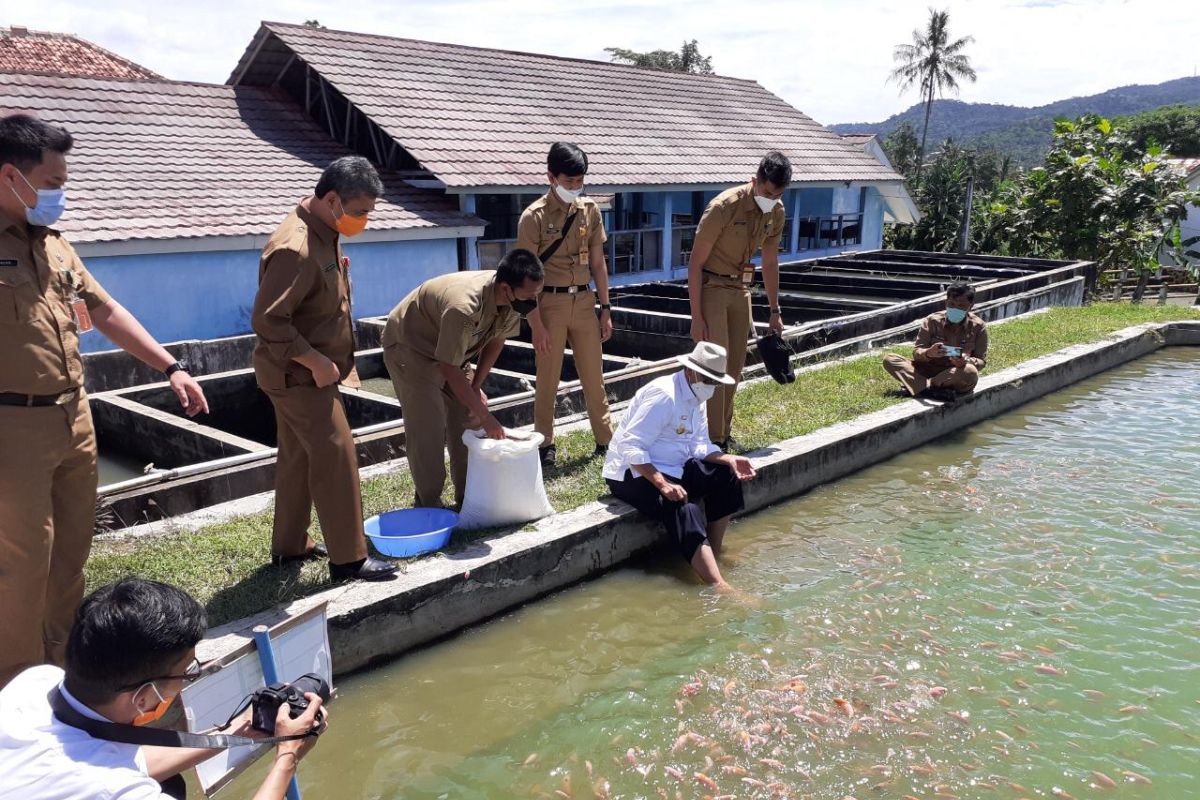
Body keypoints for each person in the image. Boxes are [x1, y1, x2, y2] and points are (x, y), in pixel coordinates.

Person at [0, 113, 210, 688]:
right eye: (51, 183)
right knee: (20, 567)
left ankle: (63, 667)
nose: (59, 195)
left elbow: (107, 310)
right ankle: (17, 692)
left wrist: (170, 366)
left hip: (74, 417)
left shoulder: (55, 244)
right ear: (10, 176)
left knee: (69, 556)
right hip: (10, 426)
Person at [0, 578, 326, 800]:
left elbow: (121, 758)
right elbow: (113, 777)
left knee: (169, 780)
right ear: (143, 697)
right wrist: (288, 755)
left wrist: (239, 732)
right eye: (186, 674)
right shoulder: (113, 790)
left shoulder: (34, 685)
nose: (188, 680)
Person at [251, 156, 396, 582]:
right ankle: (350, 559)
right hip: (298, 374)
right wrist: (315, 361)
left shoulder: (323, 228)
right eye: (359, 211)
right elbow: (268, 320)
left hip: (300, 370)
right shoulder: (295, 248)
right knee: (335, 452)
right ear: (332, 200)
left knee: (297, 456)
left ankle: (290, 545)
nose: (364, 219)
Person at [383, 248, 544, 507]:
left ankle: (467, 498)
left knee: (467, 419)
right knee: (429, 426)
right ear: (506, 288)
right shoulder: (464, 307)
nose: (533, 302)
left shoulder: (515, 300)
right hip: (411, 347)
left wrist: (476, 386)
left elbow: (496, 340)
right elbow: (448, 368)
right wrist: (486, 416)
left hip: (452, 350)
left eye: (537, 295)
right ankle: (429, 503)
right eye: (529, 295)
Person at [603, 342, 757, 591]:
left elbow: (699, 444)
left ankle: (713, 553)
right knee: (684, 508)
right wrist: (662, 484)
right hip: (633, 473)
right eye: (708, 379)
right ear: (691, 371)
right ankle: (718, 584)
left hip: (676, 466)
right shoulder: (665, 396)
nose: (711, 386)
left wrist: (728, 459)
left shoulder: (697, 396)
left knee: (726, 476)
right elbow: (631, 448)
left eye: (715, 381)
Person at [515, 142, 614, 467]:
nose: (575, 187)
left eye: (579, 181)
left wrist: (606, 308)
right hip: (549, 304)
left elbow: (599, 264)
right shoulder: (534, 217)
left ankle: (605, 440)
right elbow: (523, 276)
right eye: (569, 181)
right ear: (551, 177)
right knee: (548, 378)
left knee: (593, 375)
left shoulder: (590, 211)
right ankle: (545, 444)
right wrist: (537, 324)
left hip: (584, 301)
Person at [688, 151, 791, 451]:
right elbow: (695, 263)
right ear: (754, 180)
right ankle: (711, 439)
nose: (771, 198)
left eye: (778, 194)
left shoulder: (777, 211)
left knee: (734, 367)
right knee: (713, 366)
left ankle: (723, 432)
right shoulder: (724, 207)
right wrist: (697, 317)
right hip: (712, 288)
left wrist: (775, 310)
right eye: (767, 192)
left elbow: (770, 262)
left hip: (740, 290)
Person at [882, 282, 989, 402]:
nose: (955, 309)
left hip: (953, 373)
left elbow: (981, 361)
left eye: (961, 306)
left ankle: (921, 387)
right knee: (890, 359)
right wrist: (929, 353)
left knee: (970, 372)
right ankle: (934, 391)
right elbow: (917, 352)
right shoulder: (932, 321)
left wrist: (965, 361)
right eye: (951, 304)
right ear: (946, 302)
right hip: (927, 369)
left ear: (971, 305)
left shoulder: (978, 327)